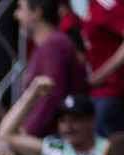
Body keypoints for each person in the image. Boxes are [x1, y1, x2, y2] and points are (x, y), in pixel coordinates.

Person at [13, 0, 87, 137]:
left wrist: (25, 132)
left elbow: (50, 98)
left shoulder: (53, 45)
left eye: (20, 8)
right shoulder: (47, 44)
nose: (16, 15)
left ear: (36, 13)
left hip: (54, 139)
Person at [74, 0, 124, 134]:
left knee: (117, 151)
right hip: (104, 95)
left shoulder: (108, 3)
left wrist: (102, 74)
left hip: (113, 94)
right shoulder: (92, 6)